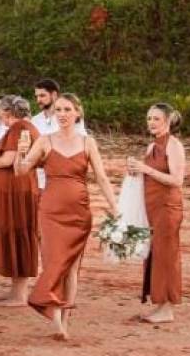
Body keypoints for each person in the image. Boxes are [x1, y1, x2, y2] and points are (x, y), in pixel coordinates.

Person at [19, 93, 118, 340]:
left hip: (79, 213)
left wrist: (116, 209)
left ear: (77, 112)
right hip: (50, 211)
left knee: (72, 268)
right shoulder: (44, 140)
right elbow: (22, 171)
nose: (62, 114)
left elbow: (102, 178)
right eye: (58, 110)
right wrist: (21, 152)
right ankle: (55, 321)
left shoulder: (88, 142)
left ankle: (64, 321)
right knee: (54, 263)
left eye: (67, 109)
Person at [128, 102, 186, 324]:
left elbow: (177, 180)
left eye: (156, 119)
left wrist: (146, 169)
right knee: (154, 254)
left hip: (167, 207)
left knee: (166, 255)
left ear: (168, 120)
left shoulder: (174, 145)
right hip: (151, 206)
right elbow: (147, 175)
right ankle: (159, 304)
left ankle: (167, 308)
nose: (151, 122)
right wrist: (134, 170)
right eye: (149, 118)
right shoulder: (152, 147)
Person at [0, 96, 40, 306]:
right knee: (16, 233)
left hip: (14, 191)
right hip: (16, 188)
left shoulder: (19, 129)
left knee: (17, 232)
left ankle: (20, 294)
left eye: (3, 113)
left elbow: (10, 159)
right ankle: (15, 291)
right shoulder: (27, 127)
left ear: (8, 113)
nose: (1, 117)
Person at [31, 78, 87, 191]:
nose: (38, 100)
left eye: (42, 96)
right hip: (39, 182)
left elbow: (81, 145)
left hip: (67, 179)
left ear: (54, 95)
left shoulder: (69, 118)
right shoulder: (34, 120)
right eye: (37, 96)